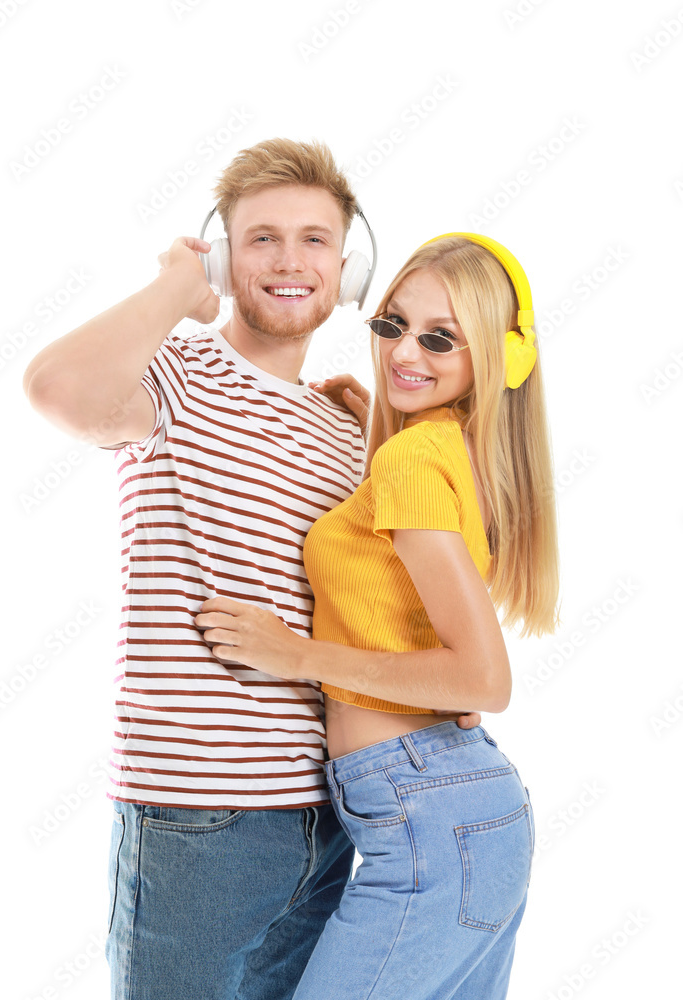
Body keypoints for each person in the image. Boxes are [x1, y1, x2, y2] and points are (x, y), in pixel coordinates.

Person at [21, 139, 481, 1000]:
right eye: (260, 237)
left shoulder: (347, 428)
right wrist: (171, 289)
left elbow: (386, 606)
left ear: (346, 270)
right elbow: (57, 390)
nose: (288, 260)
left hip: (336, 813)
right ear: (224, 255)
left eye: (313, 240)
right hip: (199, 819)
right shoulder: (174, 372)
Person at [196, 232, 560, 999]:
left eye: (439, 340)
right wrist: (374, 441)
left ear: (500, 359)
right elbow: (399, 603)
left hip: (427, 820)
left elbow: (481, 678)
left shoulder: (411, 461)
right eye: (392, 325)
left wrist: (292, 656)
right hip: (459, 814)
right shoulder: (455, 450)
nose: (404, 354)